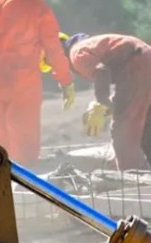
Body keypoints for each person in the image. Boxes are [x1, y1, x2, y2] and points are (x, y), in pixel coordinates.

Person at [0, 0, 76, 166]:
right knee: (25, 156)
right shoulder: (37, 7)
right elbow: (53, 49)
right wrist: (66, 81)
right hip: (23, 84)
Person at [61, 33, 151, 170]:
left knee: (123, 131)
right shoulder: (89, 46)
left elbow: (101, 71)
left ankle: (132, 176)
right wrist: (108, 105)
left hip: (137, 65)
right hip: (142, 61)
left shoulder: (76, 54)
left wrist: (101, 103)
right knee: (145, 124)